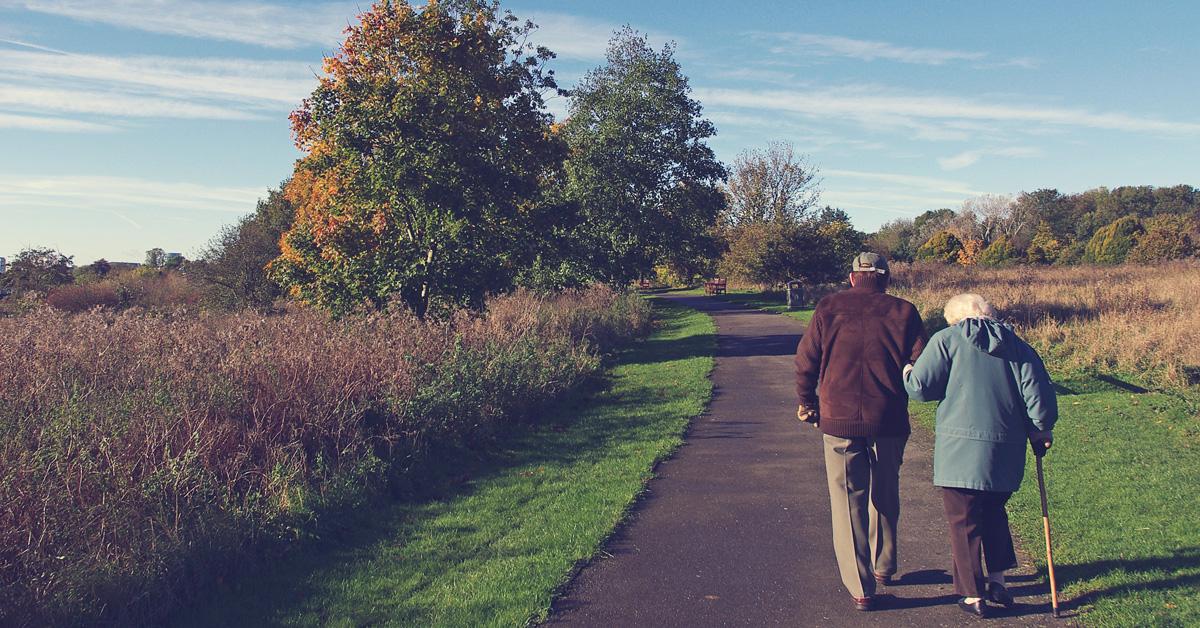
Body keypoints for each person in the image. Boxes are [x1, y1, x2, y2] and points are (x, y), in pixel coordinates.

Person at [903, 293, 1057, 619]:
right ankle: (998, 581)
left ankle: (972, 594)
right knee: (994, 512)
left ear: (955, 319)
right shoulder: (1018, 346)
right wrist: (1041, 430)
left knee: (964, 520)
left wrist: (907, 370)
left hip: (960, 451)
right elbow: (1038, 399)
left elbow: (920, 388)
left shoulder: (947, 340)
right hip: (1006, 450)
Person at [794, 252, 927, 611]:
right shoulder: (905, 311)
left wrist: (807, 402)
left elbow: (806, 360)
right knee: (886, 490)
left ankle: (861, 586)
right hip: (889, 418)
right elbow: (920, 364)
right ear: (885, 278)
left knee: (847, 500)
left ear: (852, 277)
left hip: (839, 418)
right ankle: (884, 565)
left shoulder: (828, 307)